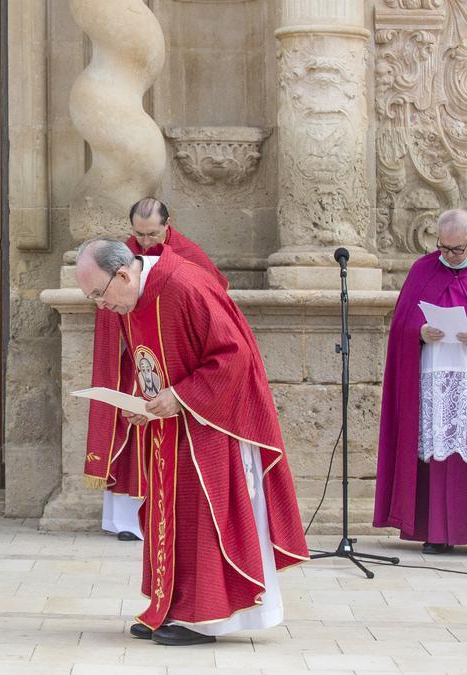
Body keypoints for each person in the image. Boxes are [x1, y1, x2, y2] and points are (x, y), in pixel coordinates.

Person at [75, 238, 307, 646]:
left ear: (124, 274)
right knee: (170, 518)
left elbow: (233, 356)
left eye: (99, 294)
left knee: (201, 517)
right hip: (170, 426)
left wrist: (180, 396)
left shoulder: (184, 285)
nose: (100, 306)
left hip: (212, 425)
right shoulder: (131, 298)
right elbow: (150, 361)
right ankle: (172, 609)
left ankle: (207, 619)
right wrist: (141, 403)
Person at [85, 198, 227, 542]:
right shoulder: (122, 256)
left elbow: (214, 303)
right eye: (139, 234)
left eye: (152, 234)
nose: (146, 242)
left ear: (168, 224)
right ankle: (128, 519)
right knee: (132, 427)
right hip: (137, 360)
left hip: (176, 364)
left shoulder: (187, 258)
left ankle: (173, 516)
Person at [376, 208, 467, 554]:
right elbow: (401, 324)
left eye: (457, 250)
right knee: (437, 454)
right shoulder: (423, 270)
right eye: (443, 247)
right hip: (433, 382)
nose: (448, 256)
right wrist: (419, 331)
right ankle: (437, 532)